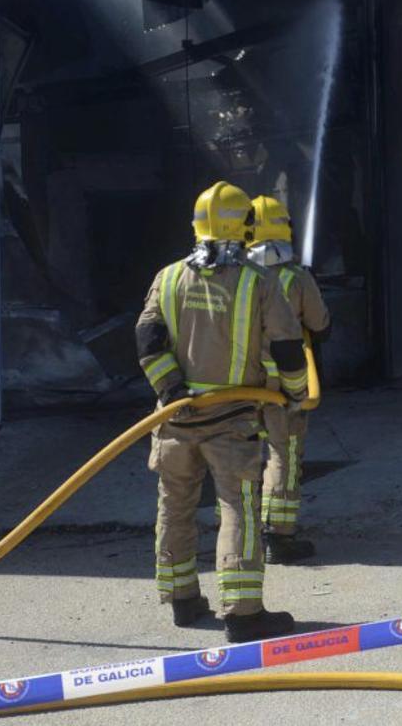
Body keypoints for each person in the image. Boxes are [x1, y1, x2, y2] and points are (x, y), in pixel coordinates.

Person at [135, 181, 309, 643]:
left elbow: (147, 341)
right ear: (246, 227)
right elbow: (290, 349)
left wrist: (171, 389)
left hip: (173, 419)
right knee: (237, 509)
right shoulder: (259, 283)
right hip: (231, 422)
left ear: (197, 225)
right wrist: (293, 395)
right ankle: (244, 613)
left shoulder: (169, 276)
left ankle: (182, 599)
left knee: (174, 506)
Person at [247, 196, 331, 564]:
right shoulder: (297, 278)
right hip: (286, 384)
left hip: (239, 385)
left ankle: (240, 534)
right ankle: (279, 537)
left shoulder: (236, 279)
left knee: (241, 456)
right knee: (284, 455)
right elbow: (320, 324)